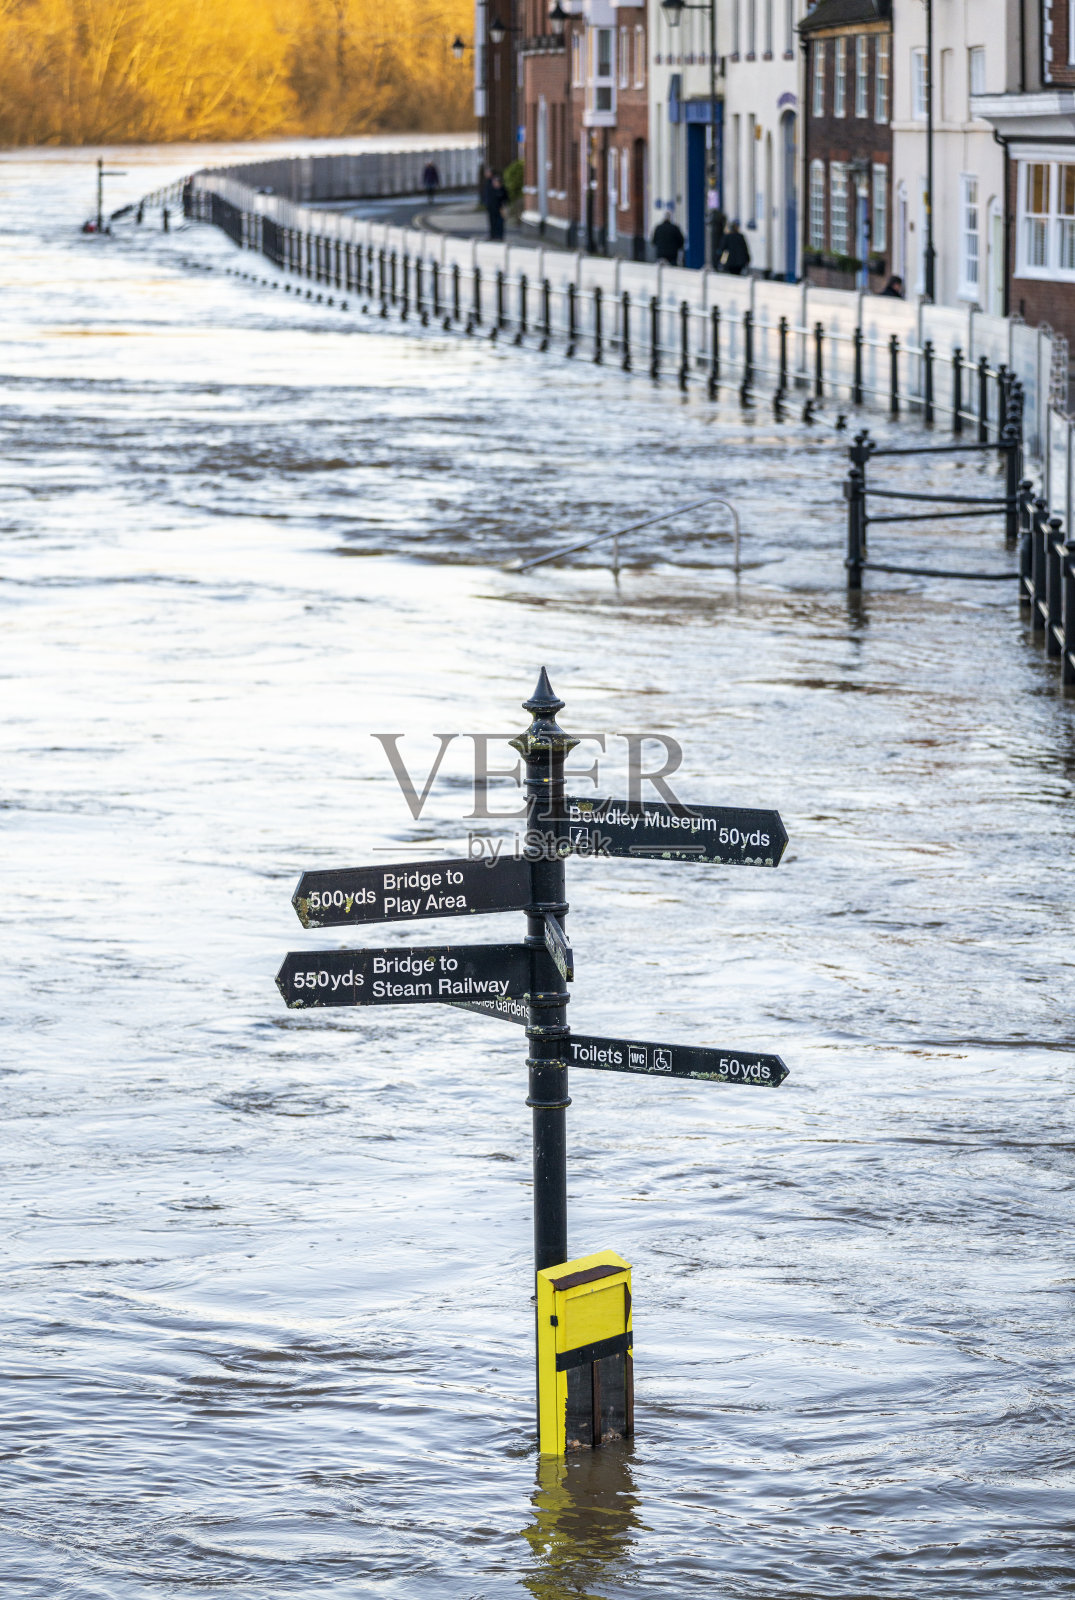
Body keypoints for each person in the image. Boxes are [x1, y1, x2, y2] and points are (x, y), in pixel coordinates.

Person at [486, 171, 506, 241]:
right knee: (492, 223)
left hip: (500, 209)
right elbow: (488, 199)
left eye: (496, 182)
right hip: (492, 209)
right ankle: (493, 235)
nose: (495, 184)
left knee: (500, 223)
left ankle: (499, 236)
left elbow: (505, 199)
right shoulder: (491, 189)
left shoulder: (502, 190)